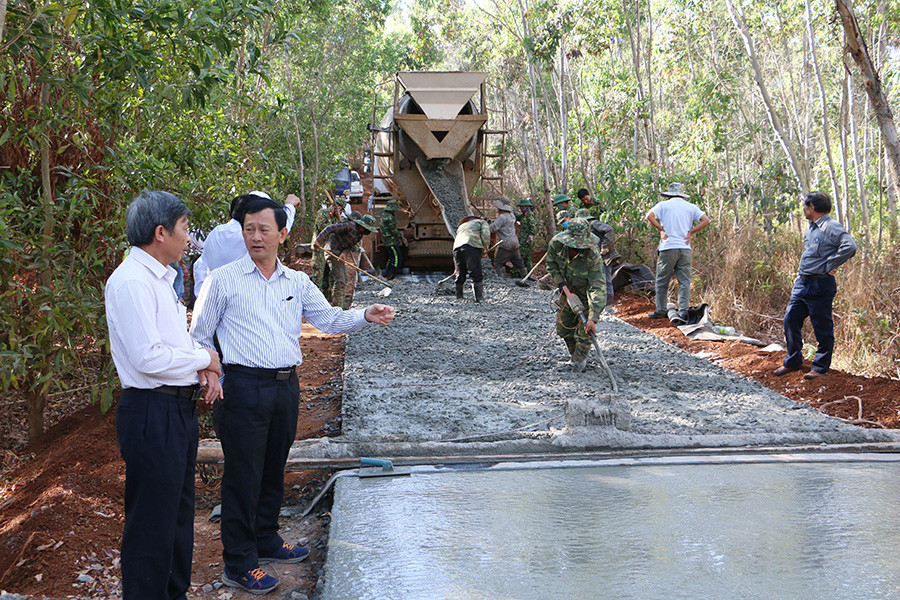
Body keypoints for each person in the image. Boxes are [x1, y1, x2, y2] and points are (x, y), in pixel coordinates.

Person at [190, 196, 395, 595]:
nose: (256, 237)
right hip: (243, 387)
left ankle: (266, 538)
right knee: (242, 476)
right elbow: (198, 335)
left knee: (271, 469)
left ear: (283, 235)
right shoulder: (224, 279)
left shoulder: (297, 282)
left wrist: (364, 316)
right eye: (249, 229)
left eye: (264, 229)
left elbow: (329, 319)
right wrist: (209, 371)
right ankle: (239, 561)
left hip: (286, 387)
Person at [104, 190, 223, 600]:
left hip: (175, 409)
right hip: (152, 411)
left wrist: (200, 367)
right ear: (160, 232)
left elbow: (171, 345)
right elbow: (150, 358)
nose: (189, 239)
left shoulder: (161, 278)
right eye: (185, 229)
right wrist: (204, 357)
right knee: (152, 523)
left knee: (176, 517)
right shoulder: (132, 282)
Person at [774, 191, 857, 380]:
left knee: (822, 326)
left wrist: (831, 264)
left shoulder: (831, 226)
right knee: (790, 319)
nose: (803, 209)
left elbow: (850, 246)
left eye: (805, 206)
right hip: (803, 282)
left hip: (821, 284)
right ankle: (794, 361)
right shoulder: (811, 228)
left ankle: (820, 367)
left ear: (812, 208)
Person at [196, 191, 301, 295]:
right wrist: (290, 205)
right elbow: (281, 225)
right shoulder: (247, 234)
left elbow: (200, 265)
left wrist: (201, 294)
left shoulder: (216, 232)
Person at [546, 218, 606, 372]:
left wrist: (593, 318)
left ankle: (579, 362)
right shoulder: (556, 245)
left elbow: (597, 287)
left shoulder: (593, 257)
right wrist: (565, 289)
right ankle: (574, 354)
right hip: (567, 291)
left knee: (585, 331)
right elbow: (552, 266)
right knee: (565, 327)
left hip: (586, 293)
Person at [645, 182, 711, 320]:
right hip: (684, 248)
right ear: (681, 194)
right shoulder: (691, 207)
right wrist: (691, 231)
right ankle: (682, 311)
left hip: (668, 247)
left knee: (662, 281)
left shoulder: (663, 205)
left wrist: (661, 229)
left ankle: (661, 310)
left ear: (669, 194)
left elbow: (649, 216)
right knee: (684, 282)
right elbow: (706, 220)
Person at [313, 212, 378, 308]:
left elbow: (349, 246)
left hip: (339, 253)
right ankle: (338, 307)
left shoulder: (360, 235)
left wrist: (344, 254)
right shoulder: (350, 226)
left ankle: (340, 304)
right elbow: (330, 228)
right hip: (331, 250)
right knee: (340, 280)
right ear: (363, 226)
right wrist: (318, 240)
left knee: (344, 278)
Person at [576, 208, 620, 309]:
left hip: (606, 256)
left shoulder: (593, 223)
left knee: (605, 279)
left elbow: (609, 230)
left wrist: (604, 246)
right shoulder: (584, 229)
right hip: (596, 257)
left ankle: (608, 306)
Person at [453, 215, 491, 302]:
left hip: (457, 248)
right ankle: (479, 298)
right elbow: (485, 234)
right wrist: (485, 247)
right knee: (475, 272)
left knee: (460, 273)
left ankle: (459, 296)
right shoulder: (482, 222)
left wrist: (456, 267)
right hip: (472, 245)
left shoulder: (462, 226)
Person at [490, 196, 527, 278]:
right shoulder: (511, 215)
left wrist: (486, 226)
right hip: (515, 242)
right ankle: (525, 277)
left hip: (506, 244)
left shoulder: (502, 217)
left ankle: (502, 279)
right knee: (518, 262)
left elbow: (493, 228)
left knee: (498, 263)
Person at [379, 199, 404, 280]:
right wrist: (401, 236)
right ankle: (391, 276)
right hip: (391, 241)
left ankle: (386, 274)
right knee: (397, 258)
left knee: (391, 258)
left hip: (386, 241)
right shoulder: (390, 217)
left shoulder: (383, 215)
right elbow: (394, 230)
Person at [516, 198, 536, 271]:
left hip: (527, 241)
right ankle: (528, 273)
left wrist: (531, 236)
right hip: (523, 239)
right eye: (520, 207)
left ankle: (516, 272)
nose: (521, 208)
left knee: (521, 256)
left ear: (527, 207)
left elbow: (533, 227)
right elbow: (518, 217)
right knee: (527, 258)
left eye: (522, 207)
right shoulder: (524, 215)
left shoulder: (530, 215)